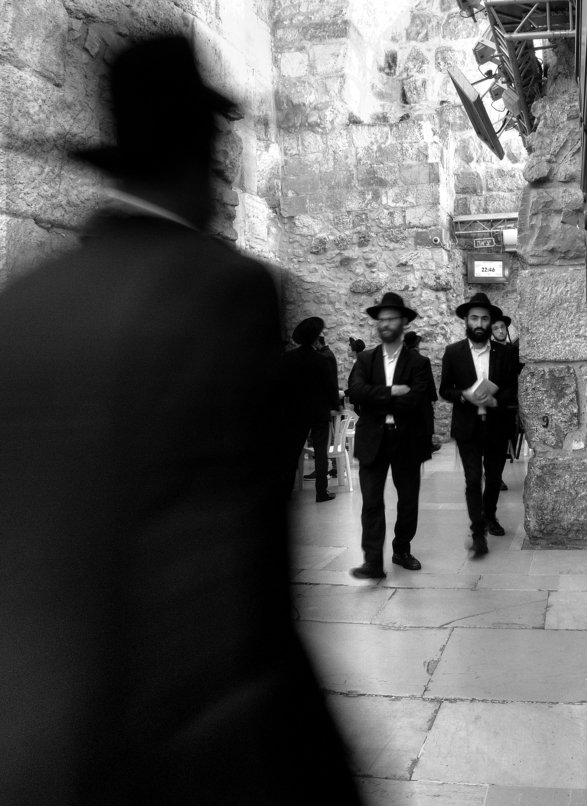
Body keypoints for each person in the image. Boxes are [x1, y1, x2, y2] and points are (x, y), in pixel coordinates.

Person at [0, 35, 361, 804]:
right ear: (202, 152)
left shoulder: (23, 305)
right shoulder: (221, 290)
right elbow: (241, 565)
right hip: (169, 743)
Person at [347, 292, 435, 579]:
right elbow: (356, 392)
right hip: (373, 438)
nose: (384, 324)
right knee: (372, 502)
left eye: (391, 319)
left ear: (403, 323)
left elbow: (417, 399)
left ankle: (401, 548)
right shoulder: (365, 359)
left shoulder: (418, 363)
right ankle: (373, 561)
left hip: (406, 438)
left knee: (408, 500)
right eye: (381, 319)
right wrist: (392, 391)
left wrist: (377, 398)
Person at [439, 292, 519, 556]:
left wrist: (497, 401)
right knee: (473, 480)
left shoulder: (505, 353)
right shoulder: (453, 352)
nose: (480, 323)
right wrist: (463, 395)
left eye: (485, 319)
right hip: (467, 426)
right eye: (474, 318)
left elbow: (511, 386)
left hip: (496, 424)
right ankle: (477, 533)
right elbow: (444, 390)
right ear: (466, 320)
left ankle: (490, 515)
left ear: (490, 322)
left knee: (494, 479)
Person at [280, 316, 340, 501]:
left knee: (292, 452)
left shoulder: (288, 359)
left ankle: (286, 491)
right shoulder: (321, 360)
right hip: (319, 412)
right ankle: (321, 492)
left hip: (296, 412)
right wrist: (335, 406)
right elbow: (330, 387)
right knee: (321, 453)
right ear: (315, 337)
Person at [491, 309, 521, 491]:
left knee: (504, 442)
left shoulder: (512, 351)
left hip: (509, 403)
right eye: (496, 328)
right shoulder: (490, 352)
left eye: (503, 327)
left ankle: (496, 476)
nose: (501, 331)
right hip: (493, 402)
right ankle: (493, 476)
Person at [404, 331, 442, 455]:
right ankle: (427, 445)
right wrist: (433, 397)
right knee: (426, 421)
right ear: (417, 345)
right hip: (422, 397)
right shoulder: (423, 360)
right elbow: (429, 380)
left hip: (406, 397)